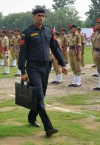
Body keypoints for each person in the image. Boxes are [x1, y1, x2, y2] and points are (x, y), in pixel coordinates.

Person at [19, 7, 68, 138]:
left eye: (43, 16)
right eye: (39, 15)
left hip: (46, 67)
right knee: (39, 96)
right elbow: (22, 53)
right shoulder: (27, 33)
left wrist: (63, 63)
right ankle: (49, 128)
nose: (41, 18)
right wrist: (22, 71)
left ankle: (31, 116)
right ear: (33, 17)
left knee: (41, 95)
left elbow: (55, 48)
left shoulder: (48, 30)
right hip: (33, 67)